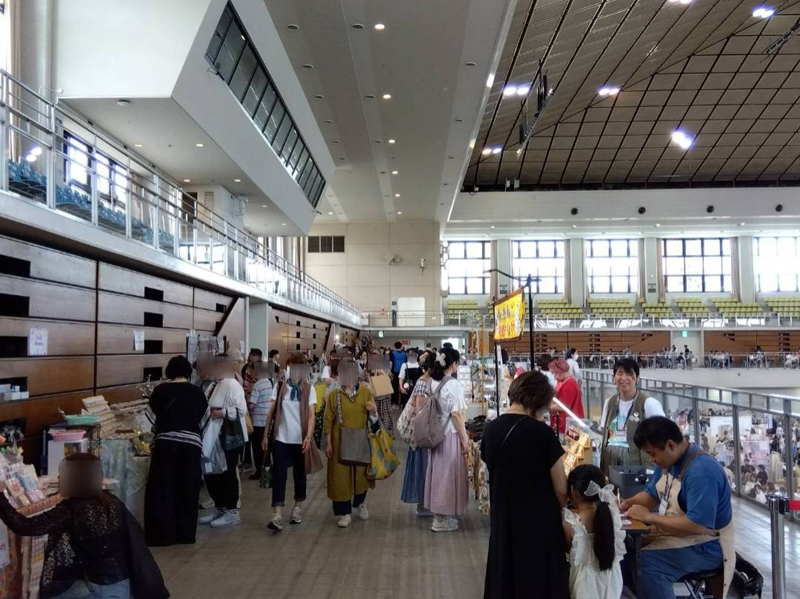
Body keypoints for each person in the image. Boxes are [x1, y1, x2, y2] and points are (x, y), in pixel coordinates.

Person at [0, 453, 168, 599]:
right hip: (124, 581)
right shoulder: (110, 501)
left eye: (62, 475)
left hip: (102, 588)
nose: (58, 479)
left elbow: (24, 526)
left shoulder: (72, 510)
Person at [621, 417, 735, 599]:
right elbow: (651, 495)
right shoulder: (667, 462)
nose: (651, 459)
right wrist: (627, 503)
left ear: (670, 445)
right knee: (624, 549)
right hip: (679, 534)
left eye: (652, 453)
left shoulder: (702, 472)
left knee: (649, 563)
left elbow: (696, 526)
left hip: (708, 544)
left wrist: (649, 517)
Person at [481, 371, 569, 599]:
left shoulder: (490, 430)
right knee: (537, 581)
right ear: (537, 400)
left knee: (506, 576)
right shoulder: (542, 433)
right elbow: (561, 488)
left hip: (503, 518)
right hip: (538, 523)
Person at [144, 355, 208, 547]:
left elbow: (149, 421)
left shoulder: (160, 391)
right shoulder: (197, 392)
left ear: (169, 371)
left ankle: (162, 535)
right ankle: (185, 534)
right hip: (191, 446)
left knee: (163, 489)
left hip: (165, 445)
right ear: (188, 372)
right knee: (188, 489)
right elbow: (205, 422)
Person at [263, 351, 317, 531]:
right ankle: (277, 513)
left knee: (299, 476)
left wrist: (308, 436)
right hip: (281, 438)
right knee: (279, 475)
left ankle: (297, 507)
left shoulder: (309, 389)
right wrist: (265, 435)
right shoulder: (280, 386)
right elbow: (271, 412)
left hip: (300, 439)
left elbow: (311, 415)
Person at [323, 359, 378, 528]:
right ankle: (344, 512)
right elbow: (328, 420)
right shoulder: (334, 395)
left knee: (362, 475)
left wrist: (373, 411)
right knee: (340, 477)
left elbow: (374, 420)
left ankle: (360, 503)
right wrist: (328, 443)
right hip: (339, 441)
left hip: (361, 439)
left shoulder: (366, 392)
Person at [200, 354, 249, 528]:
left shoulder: (232, 384)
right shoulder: (215, 384)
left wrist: (220, 413)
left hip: (228, 438)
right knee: (214, 475)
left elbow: (240, 409)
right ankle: (220, 507)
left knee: (227, 474)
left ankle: (231, 511)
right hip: (213, 437)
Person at [425, 347, 470, 533]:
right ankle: (441, 519)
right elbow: (456, 414)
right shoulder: (453, 384)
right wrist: (465, 440)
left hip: (436, 434)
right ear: (454, 364)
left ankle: (440, 515)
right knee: (448, 475)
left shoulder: (433, 382)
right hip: (450, 434)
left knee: (439, 474)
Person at [563, 464, 625, 599]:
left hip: (584, 586)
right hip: (612, 582)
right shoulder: (611, 516)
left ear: (573, 490)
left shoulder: (572, 523)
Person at [599, 358, 665, 475]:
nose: (624, 378)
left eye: (629, 374)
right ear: (614, 378)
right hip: (610, 459)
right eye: (620, 373)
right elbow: (604, 431)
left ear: (637, 378)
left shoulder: (648, 403)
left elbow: (662, 435)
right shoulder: (609, 403)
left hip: (636, 461)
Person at [399, 350, 435, 516]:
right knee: (422, 467)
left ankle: (424, 502)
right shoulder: (423, 384)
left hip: (422, 432)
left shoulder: (427, 382)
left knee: (423, 467)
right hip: (420, 433)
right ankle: (422, 503)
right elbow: (420, 410)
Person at [248, 360, 277, 480]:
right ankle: (267, 469)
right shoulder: (270, 382)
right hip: (268, 420)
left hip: (258, 421)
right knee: (267, 447)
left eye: (251, 371)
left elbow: (251, 405)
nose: (250, 373)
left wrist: (247, 399)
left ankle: (259, 471)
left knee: (257, 448)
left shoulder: (257, 385)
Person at [548, 357, 585, 435]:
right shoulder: (562, 382)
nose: (553, 376)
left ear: (559, 371)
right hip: (561, 424)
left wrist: (545, 406)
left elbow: (562, 406)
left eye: (554, 373)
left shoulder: (569, 384)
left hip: (568, 427)